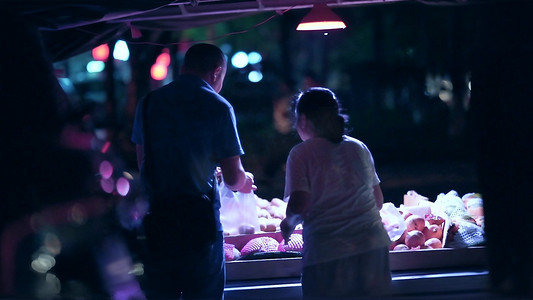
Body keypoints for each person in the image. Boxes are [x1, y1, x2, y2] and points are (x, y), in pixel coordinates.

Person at [131, 43, 254, 299]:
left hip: (157, 222)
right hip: (199, 226)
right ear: (217, 72)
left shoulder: (149, 102)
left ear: (184, 68)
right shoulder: (218, 106)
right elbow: (233, 177)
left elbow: (143, 163)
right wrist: (243, 182)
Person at [280, 87, 391, 299]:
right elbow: (377, 201)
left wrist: (288, 224)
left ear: (302, 120)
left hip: (328, 254)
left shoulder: (301, 153)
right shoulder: (359, 147)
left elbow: (299, 205)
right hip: (373, 249)